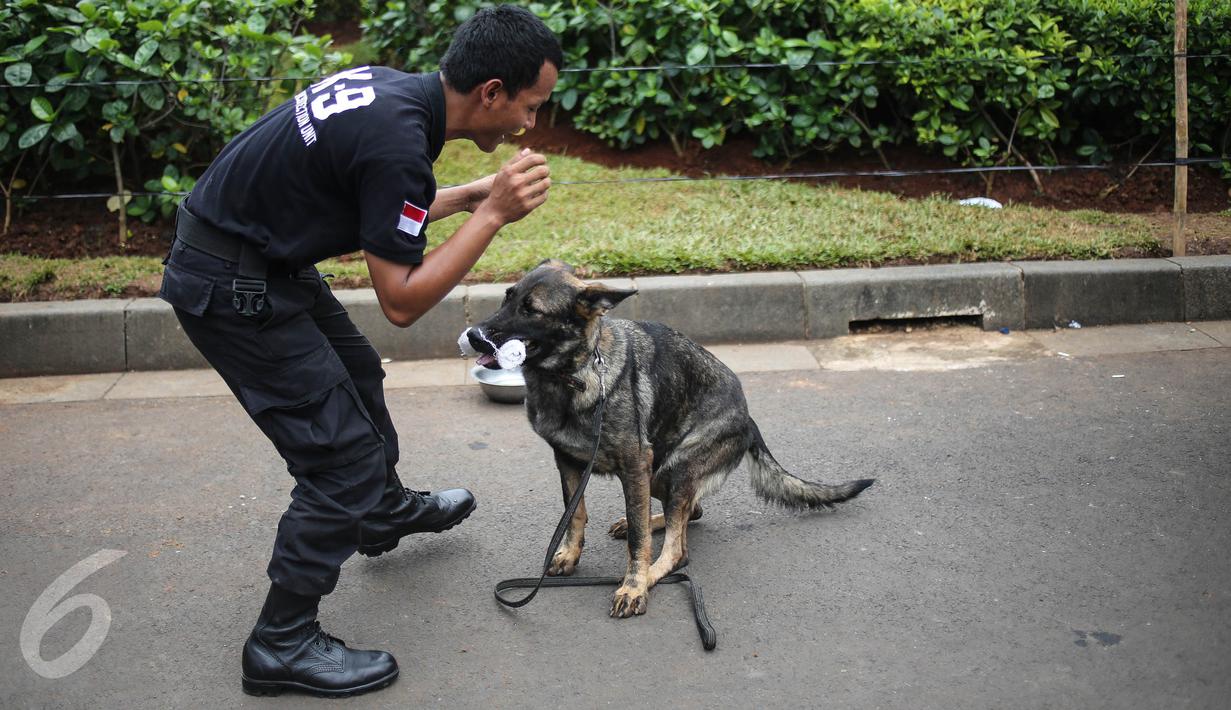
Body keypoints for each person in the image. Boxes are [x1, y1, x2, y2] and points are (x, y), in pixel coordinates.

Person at [157, 6, 562, 698]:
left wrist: (468, 197)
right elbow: (402, 301)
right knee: (338, 459)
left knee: (357, 370)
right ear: (491, 92)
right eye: (530, 105)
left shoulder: (392, 93)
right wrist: (494, 214)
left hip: (255, 257)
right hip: (232, 283)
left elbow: (381, 199)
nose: (529, 124)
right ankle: (281, 641)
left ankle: (379, 509)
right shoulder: (399, 144)